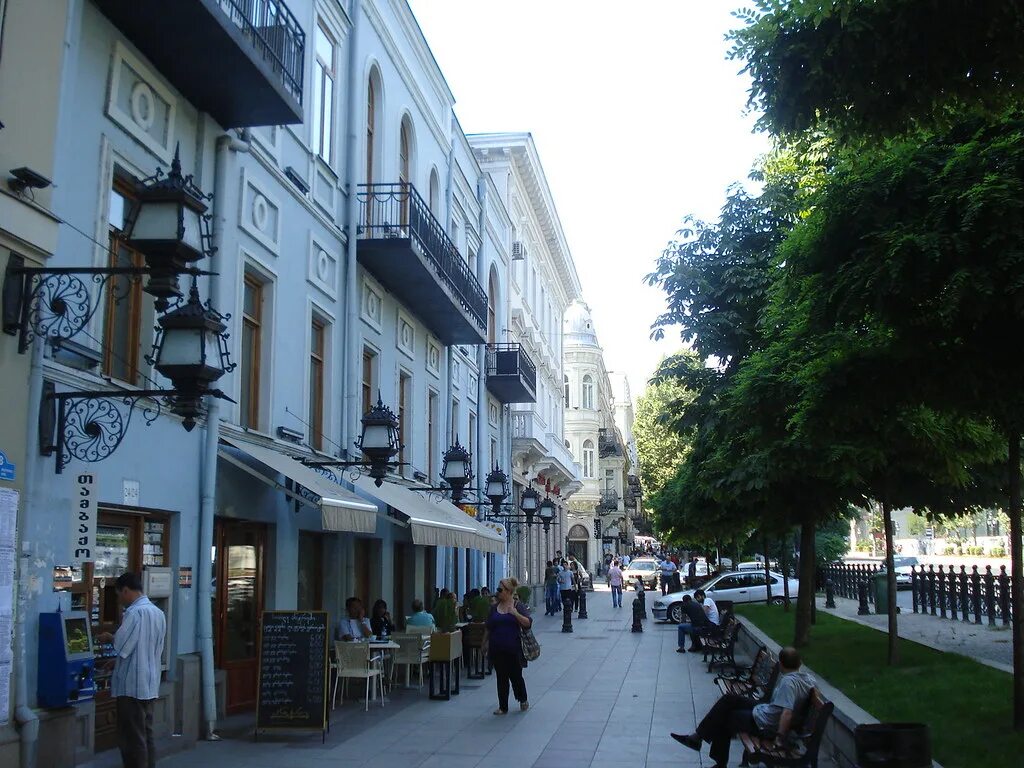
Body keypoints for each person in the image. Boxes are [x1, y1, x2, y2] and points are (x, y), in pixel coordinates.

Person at [672, 647, 816, 768]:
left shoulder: (788, 683)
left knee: (726, 717)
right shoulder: (807, 679)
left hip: (766, 723)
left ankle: (710, 752)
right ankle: (698, 737)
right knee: (728, 700)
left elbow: (787, 713)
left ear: (782, 664)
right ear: (799, 663)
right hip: (767, 711)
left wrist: (779, 738)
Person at [95, 572, 165, 768]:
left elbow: (122, 645)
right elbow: (144, 647)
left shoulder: (134, 613)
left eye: (119, 595)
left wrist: (109, 637)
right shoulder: (158, 613)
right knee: (146, 733)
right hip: (150, 683)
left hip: (132, 686)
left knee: (132, 737)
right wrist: (117, 662)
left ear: (126, 591)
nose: (119, 600)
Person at [485, 576, 533, 715]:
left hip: (514, 649)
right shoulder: (494, 608)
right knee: (501, 677)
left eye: (500, 590)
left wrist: (515, 613)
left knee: (516, 677)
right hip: (497, 648)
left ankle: (522, 698)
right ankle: (503, 707)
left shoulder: (517, 606)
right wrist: (484, 643)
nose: (497, 592)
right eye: (498, 589)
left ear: (508, 591)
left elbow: (528, 623)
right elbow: (489, 627)